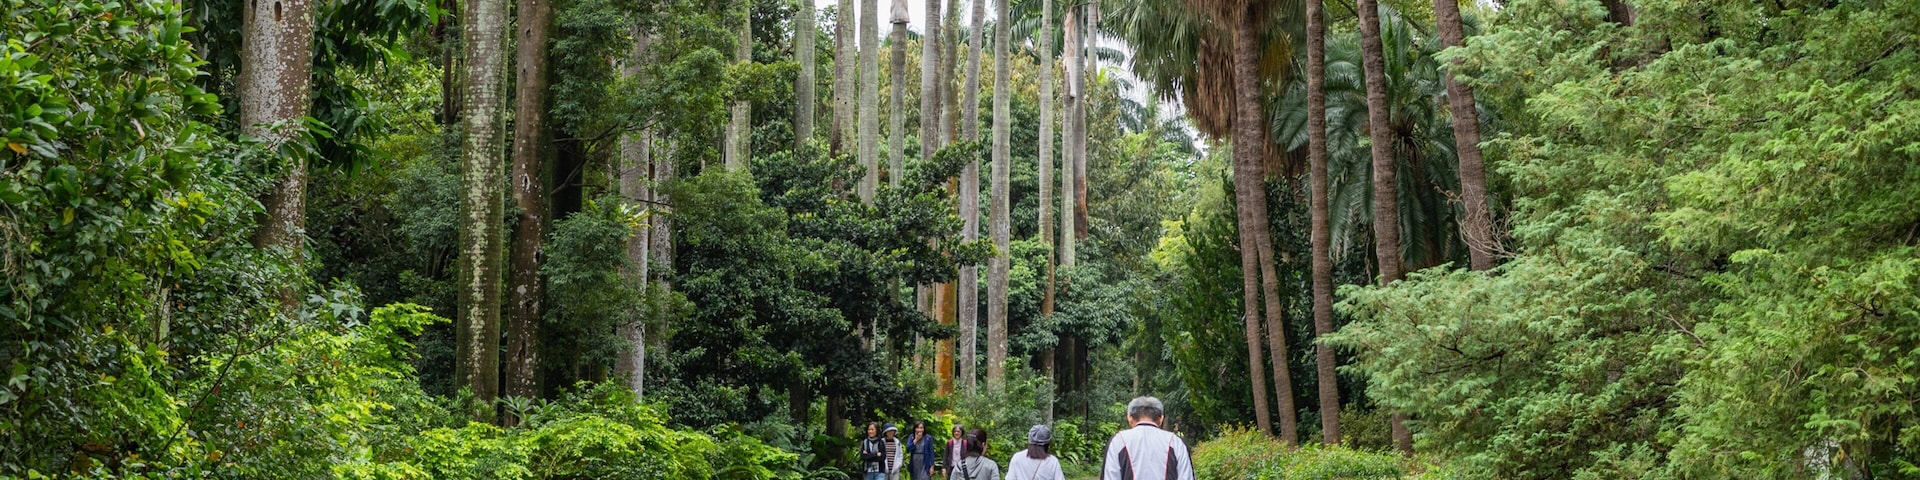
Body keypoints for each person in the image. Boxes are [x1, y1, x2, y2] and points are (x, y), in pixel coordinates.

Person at [1101, 396, 1194, 480]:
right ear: (1161, 419)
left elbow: (1110, 476)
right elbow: (1186, 476)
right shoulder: (1175, 442)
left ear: (1130, 418)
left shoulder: (1118, 441)